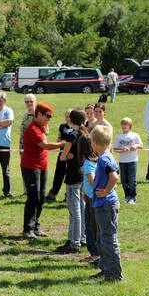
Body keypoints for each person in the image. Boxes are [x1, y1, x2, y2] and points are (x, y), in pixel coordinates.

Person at [20, 102, 64, 239]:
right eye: (47, 116)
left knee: (41, 198)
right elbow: (45, 145)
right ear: (38, 114)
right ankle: (28, 229)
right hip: (31, 167)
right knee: (33, 197)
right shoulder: (33, 128)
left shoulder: (42, 127)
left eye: (51, 116)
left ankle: (36, 226)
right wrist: (64, 143)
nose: (49, 118)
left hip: (42, 167)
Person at [91, 125, 122, 281]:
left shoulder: (104, 158)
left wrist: (107, 190)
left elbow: (114, 176)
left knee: (109, 239)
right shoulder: (107, 156)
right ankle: (105, 269)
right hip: (102, 204)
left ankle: (114, 274)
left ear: (95, 142)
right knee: (102, 239)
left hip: (106, 204)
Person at [56, 109, 90, 253]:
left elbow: (62, 157)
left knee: (74, 210)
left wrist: (67, 154)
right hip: (83, 173)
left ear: (71, 120)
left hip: (73, 174)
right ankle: (82, 238)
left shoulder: (72, 135)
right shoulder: (85, 133)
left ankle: (73, 242)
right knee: (81, 208)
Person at [112, 117, 143, 205]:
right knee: (123, 180)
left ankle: (133, 197)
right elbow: (115, 149)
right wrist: (122, 150)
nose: (124, 126)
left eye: (126, 124)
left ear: (130, 126)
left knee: (131, 180)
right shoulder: (118, 136)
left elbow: (141, 145)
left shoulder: (135, 135)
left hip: (132, 160)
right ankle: (127, 196)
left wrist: (136, 146)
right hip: (122, 161)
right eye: (123, 124)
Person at [45, 110, 73, 203]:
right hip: (62, 153)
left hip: (71, 156)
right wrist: (57, 142)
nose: (68, 118)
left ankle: (68, 196)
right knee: (58, 174)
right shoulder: (62, 126)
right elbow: (59, 137)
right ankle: (52, 194)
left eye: (69, 116)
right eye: (66, 116)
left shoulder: (76, 127)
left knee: (69, 176)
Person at [81, 134, 100, 266]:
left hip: (92, 198)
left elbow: (92, 180)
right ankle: (96, 253)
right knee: (94, 226)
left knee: (90, 226)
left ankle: (95, 254)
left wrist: (89, 191)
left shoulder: (88, 162)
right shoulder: (96, 159)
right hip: (91, 196)